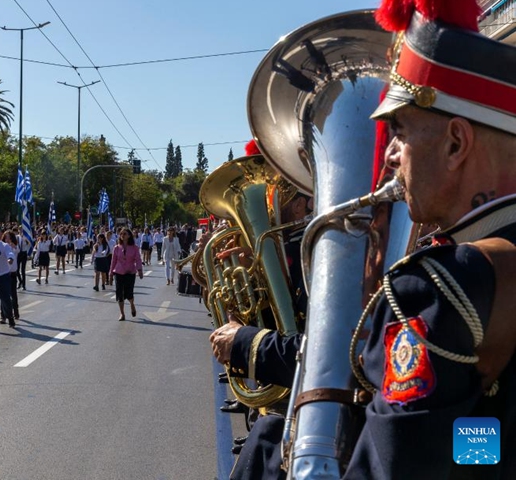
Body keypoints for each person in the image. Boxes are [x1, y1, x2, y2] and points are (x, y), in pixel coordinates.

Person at [214, 2, 516, 478]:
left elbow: (389, 467)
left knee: (270, 441)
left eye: (398, 132)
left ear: (456, 143)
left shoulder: (437, 288)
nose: (390, 156)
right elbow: (487, 438)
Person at [109, 228, 143, 321]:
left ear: (129, 236)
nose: (123, 235)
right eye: (121, 234)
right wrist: (111, 273)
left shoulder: (134, 247)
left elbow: (138, 259)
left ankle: (132, 304)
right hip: (119, 272)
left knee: (129, 292)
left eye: (125, 233)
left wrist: (139, 270)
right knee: (120, 293)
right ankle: (122, 313)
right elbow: (113, 261)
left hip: (130, 272)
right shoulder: (116, 248)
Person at [1, 230, 20, 323]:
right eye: (5, 237)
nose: (7, 239)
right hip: (4, 273)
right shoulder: (2, 247)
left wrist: (13, 246)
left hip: (12, 273)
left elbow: (17, 251)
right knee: (3, 295)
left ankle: (16, 312)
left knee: (13, 294)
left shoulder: (14, 247)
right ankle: (3, 316)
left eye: (8, 237)